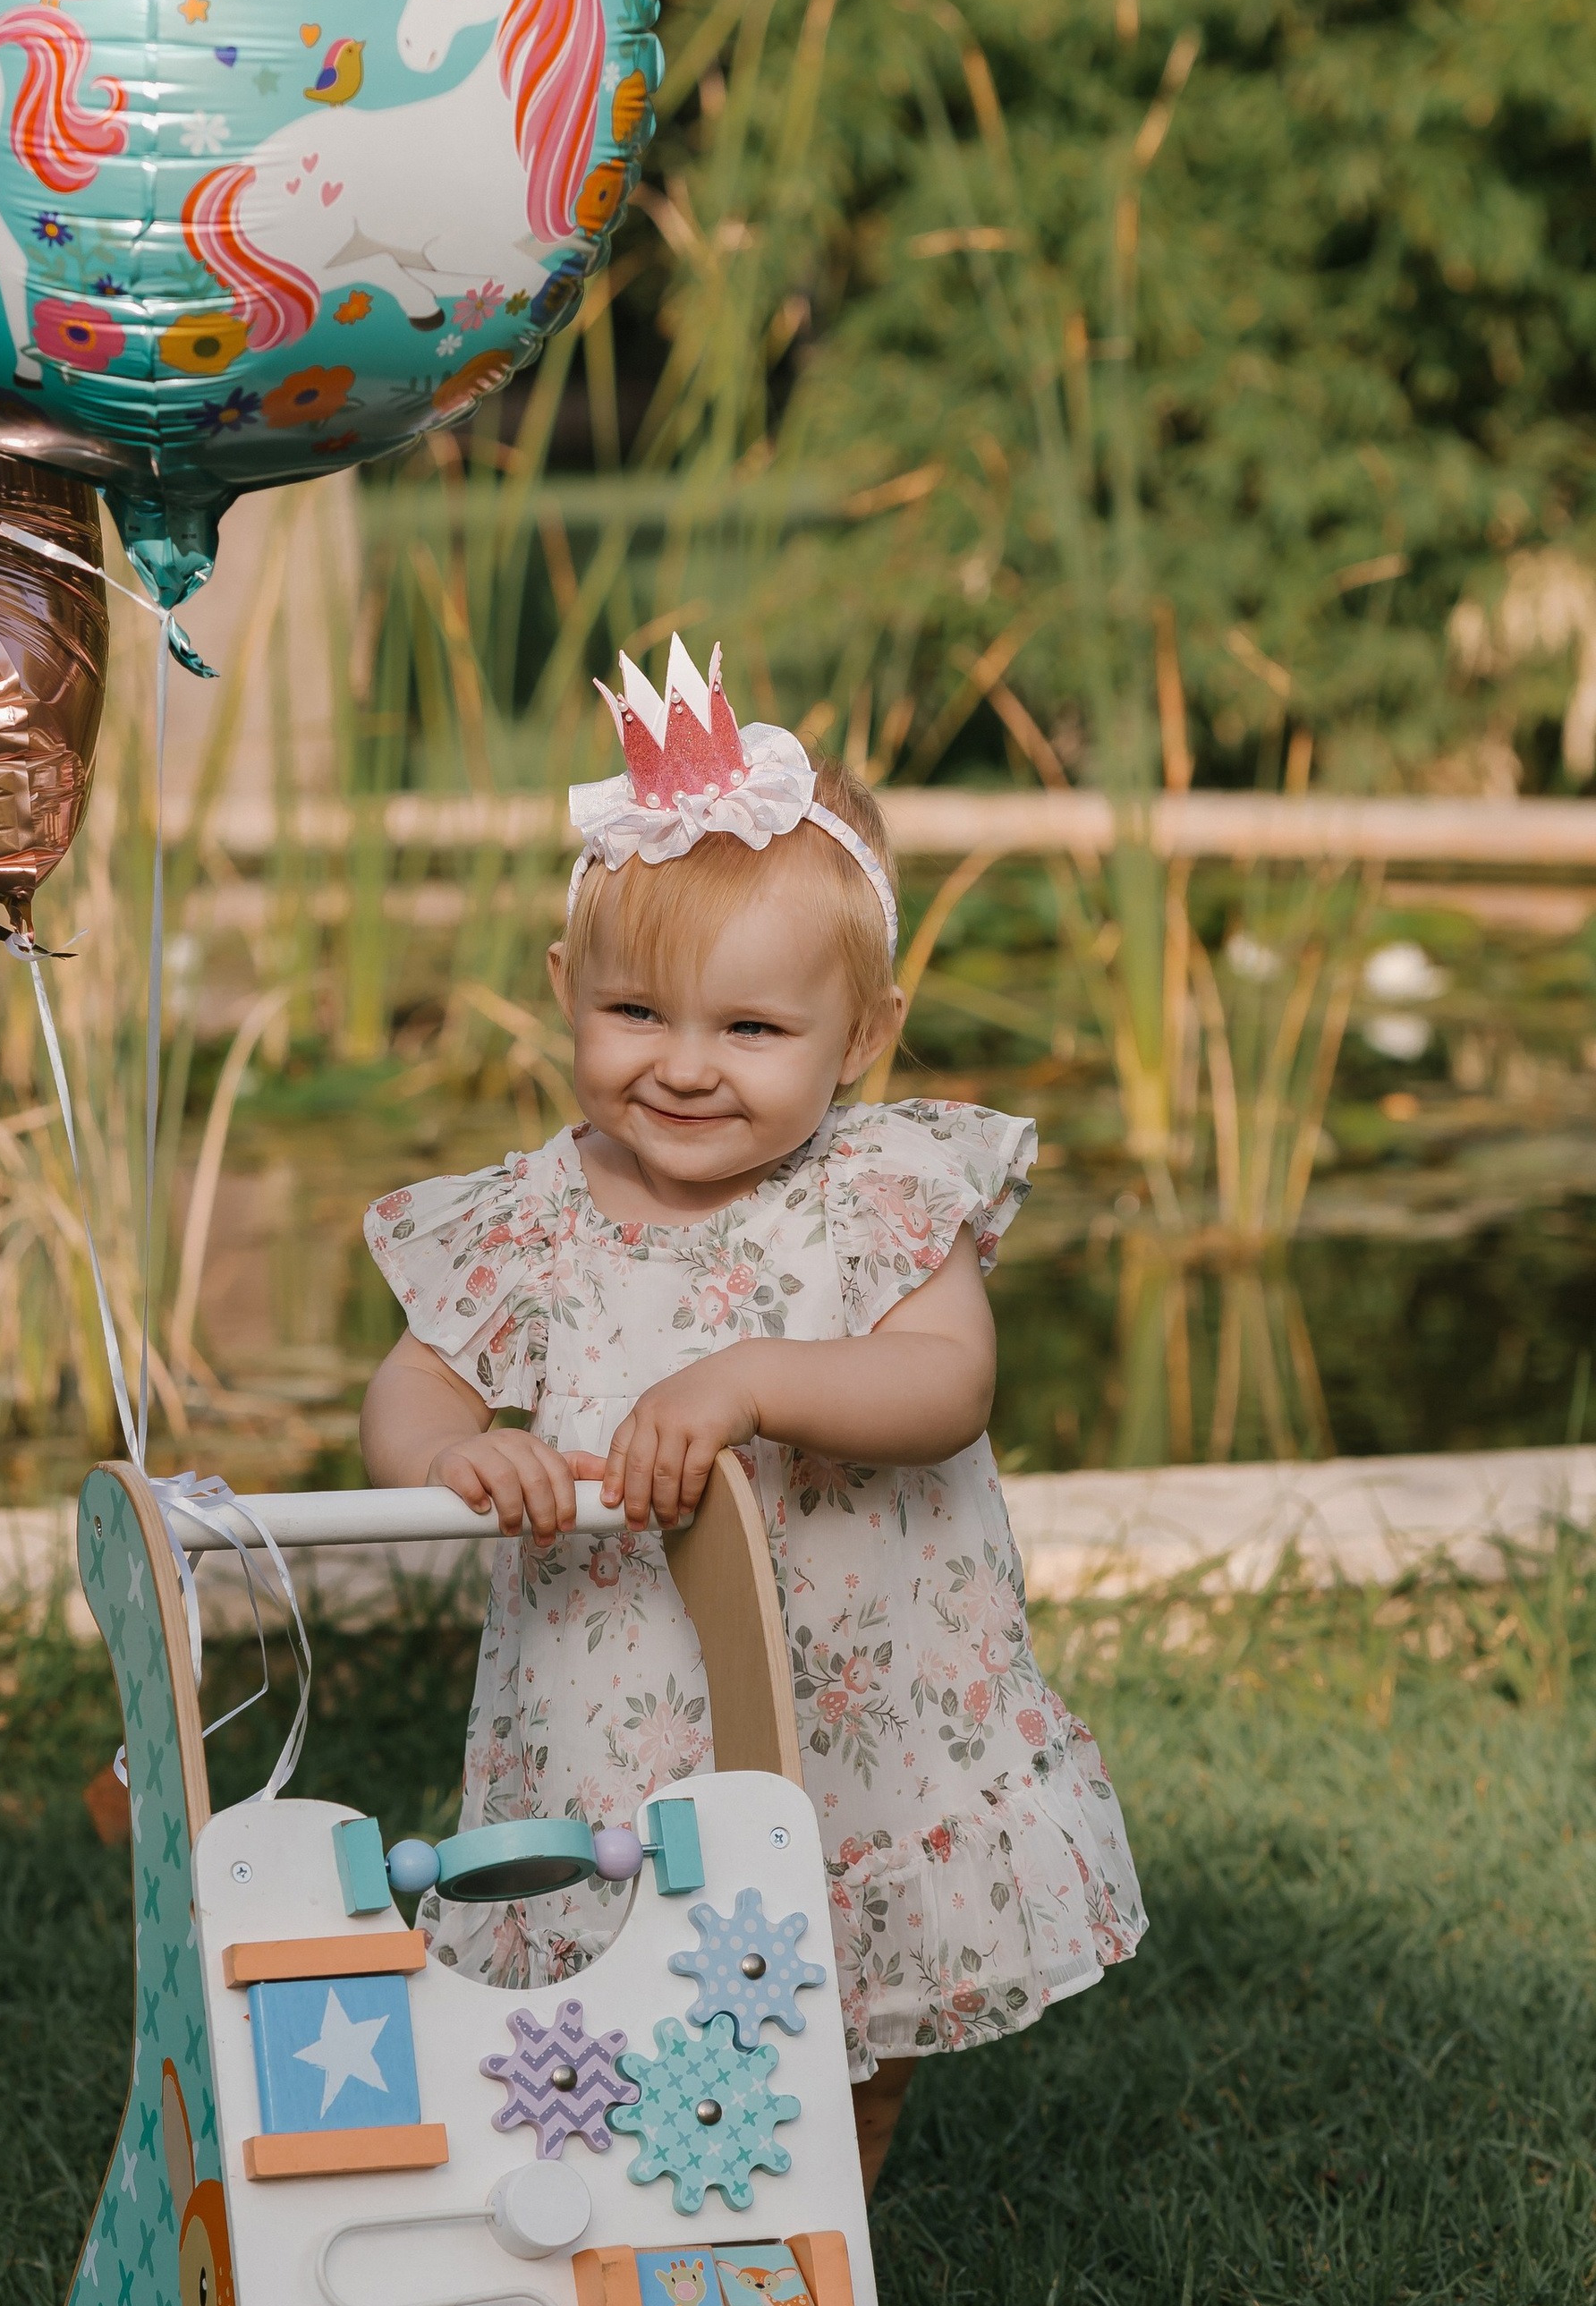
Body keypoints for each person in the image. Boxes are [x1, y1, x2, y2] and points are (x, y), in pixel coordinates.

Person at [361, 639, 1143, 2200]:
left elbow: (947, 1383)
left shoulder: (876, 1191)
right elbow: (415, 1381)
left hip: (856, 1726)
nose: (685, 1067)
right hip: (612, 1713)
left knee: (844, 2023)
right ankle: (626, 2244)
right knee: (612, 2013)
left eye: (752, 1031)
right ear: (564, 991)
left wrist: (753, 1379)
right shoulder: (535, 1215)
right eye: (636, 1012)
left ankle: (818, 2249)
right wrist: (455, 1450)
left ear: (862, 1035)